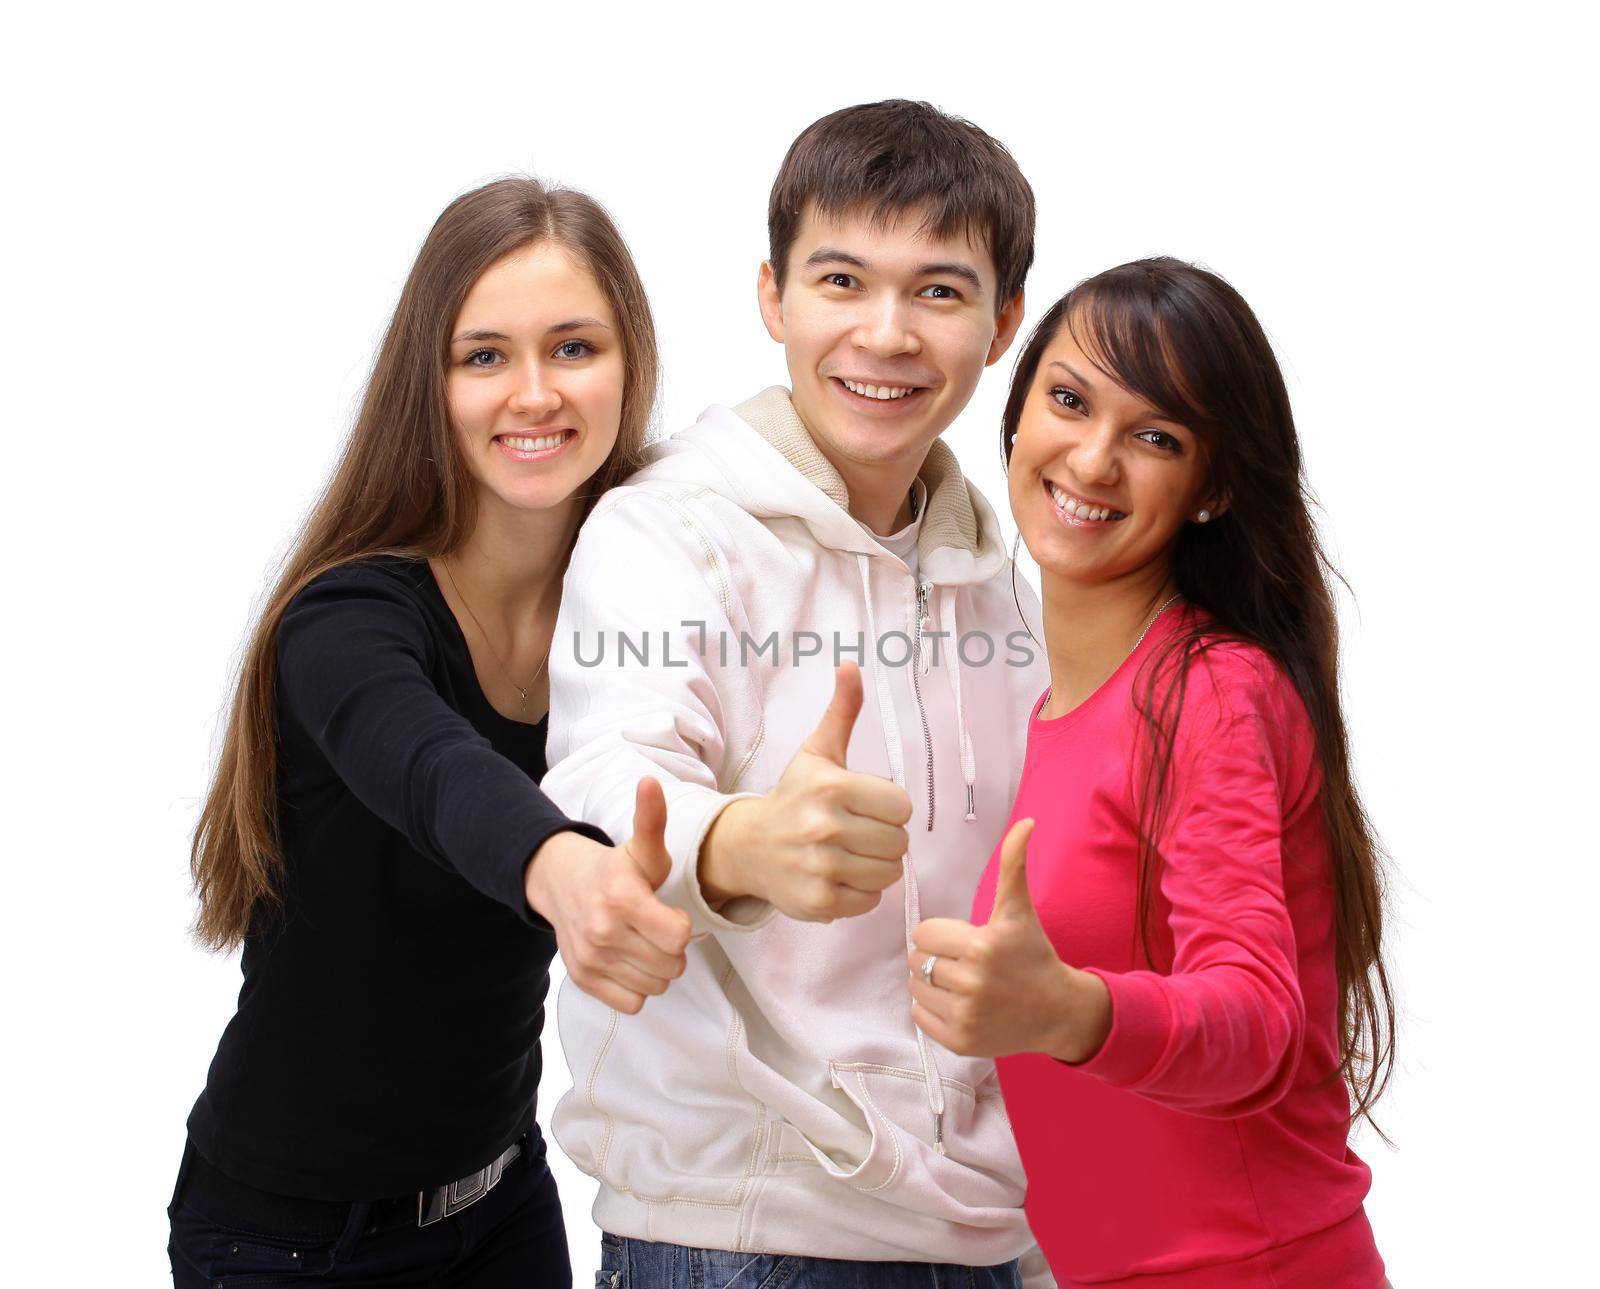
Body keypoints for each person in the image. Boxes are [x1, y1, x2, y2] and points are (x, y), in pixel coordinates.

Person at [543, 101, 1054, 1287]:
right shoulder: (667, 530)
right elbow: (605, 775)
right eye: (841, 280)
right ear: (773, 298)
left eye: (937, 290)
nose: (884, 333)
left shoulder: (998, 577)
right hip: (745, 1227)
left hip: (990, 1228)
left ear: (1001, 323)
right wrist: (738, 841)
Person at [170, 177, 692, 1287]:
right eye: (485, 355)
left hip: (504, 1200)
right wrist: (562, 867)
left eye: (574, 347)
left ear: (629, 364)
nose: (535, 393)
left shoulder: (636, 594)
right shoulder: (345, 620)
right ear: (431, 381)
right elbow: (433, 768)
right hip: (292, 1239)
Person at [907, 258, 1394, 1287]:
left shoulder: (1208, 692)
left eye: (1154, 437)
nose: (1091, 460)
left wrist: (1068, 1011)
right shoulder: (1049, 712)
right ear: (1019, 408)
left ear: (1211, 486)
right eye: (1070, 401)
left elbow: (1256, 1014)